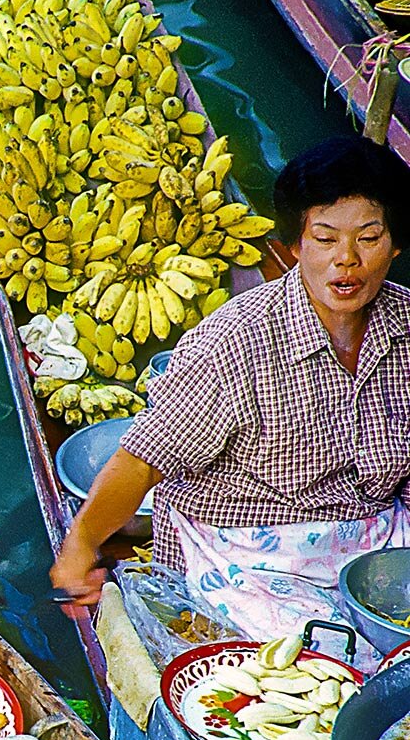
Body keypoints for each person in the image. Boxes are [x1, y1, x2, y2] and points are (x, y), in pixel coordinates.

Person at [50, 136, 410, 643]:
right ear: (293, 246)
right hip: (252, 553)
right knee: (326, 665)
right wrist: (79, 548)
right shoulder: (234, 343)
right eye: (325, 239)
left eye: (368, 239)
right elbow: (141, 461)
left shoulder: (407, 327)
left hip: (377, 538)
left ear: (394, 245)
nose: (346, 260)